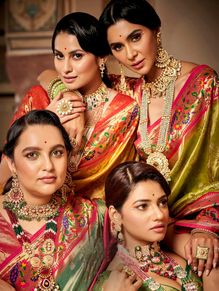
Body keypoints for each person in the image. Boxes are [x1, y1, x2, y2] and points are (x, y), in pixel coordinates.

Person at [34, 0, 219, 286]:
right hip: (140, 219)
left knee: (209, 263)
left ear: (155, 31)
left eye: (135, 37)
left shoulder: (201, 84)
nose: (130, 54)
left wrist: (207, 226)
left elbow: (215, 164)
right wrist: (69, 100)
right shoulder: (125, 91)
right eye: (118, 47)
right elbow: (47, 75)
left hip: (191, 219)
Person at [0, 12, 139, 200]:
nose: (65, 68)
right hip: (34, 212)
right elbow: (3, 176)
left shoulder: (123, 111)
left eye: (76, 56)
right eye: (59, 56)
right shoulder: (38, 97)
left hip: (92, 219)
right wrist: (44, 121)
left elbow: (122, 184)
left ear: (102, 58)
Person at [0, 109, 111, 290]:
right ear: (12, 163)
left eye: (57, 153)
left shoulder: (95, 216)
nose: (48, 166)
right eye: (32, 155)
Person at [93, 161, 203, 290]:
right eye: (143, 206)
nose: (159, 215)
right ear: (115, 215)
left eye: (162, 202)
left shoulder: (182, 248)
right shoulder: (113, 283)